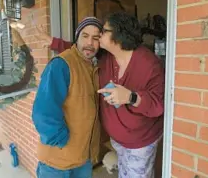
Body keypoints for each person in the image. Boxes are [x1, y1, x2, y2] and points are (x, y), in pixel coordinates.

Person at [39, 12, 165, 178]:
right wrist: (53, 42)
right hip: (117, 141)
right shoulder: (106, 57)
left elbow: (158, 105)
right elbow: (83, 48)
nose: (97, 37)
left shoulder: (149, 64)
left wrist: (131, 97)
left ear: (118, 35)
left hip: (140, 142)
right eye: (91, 34)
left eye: (103, 32)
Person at [32, 17, 103, 178]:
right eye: (85, 36)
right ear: (77, 38)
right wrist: (61, 140)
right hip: (57, 163)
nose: (90, 43)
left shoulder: (93, 66)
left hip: (83, 159)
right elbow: (43, 112)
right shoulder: (61, 64)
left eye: (96, 38)